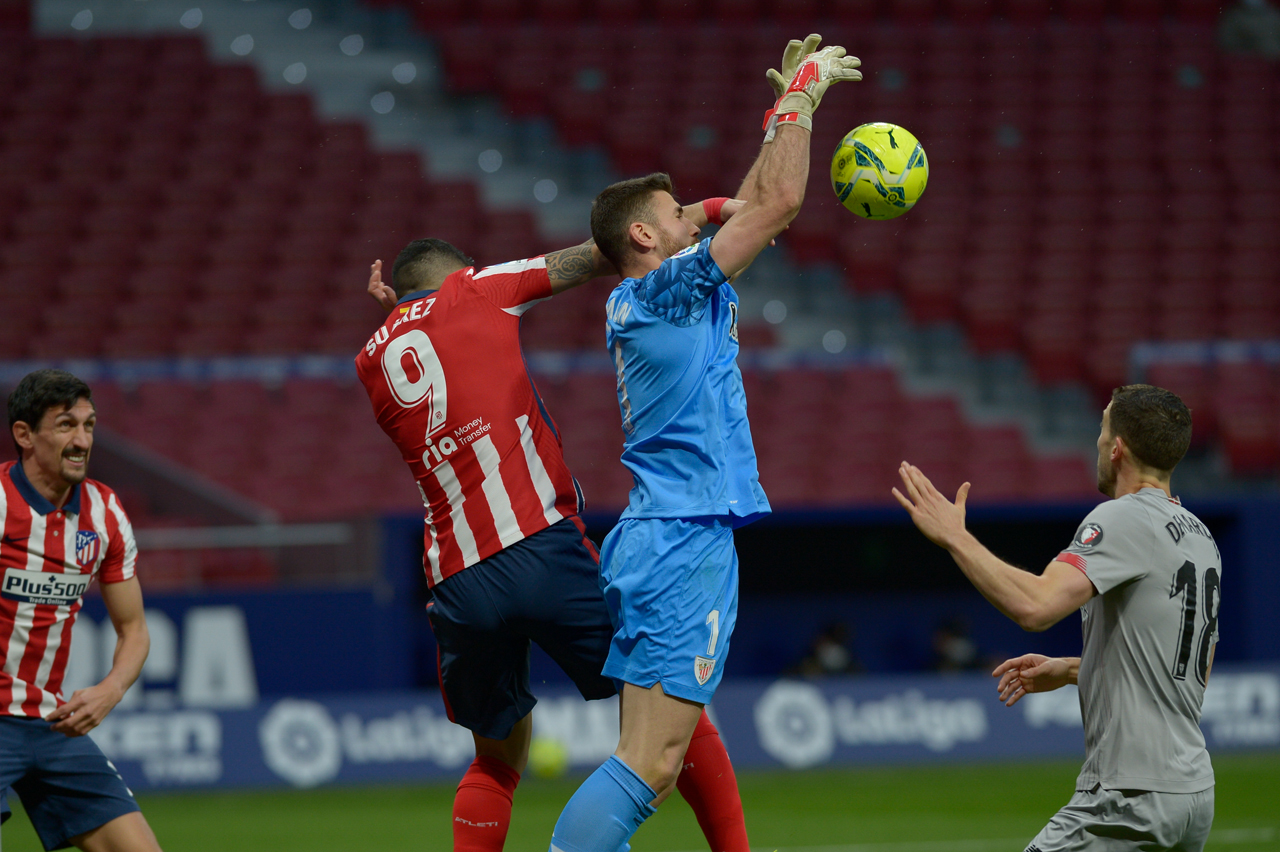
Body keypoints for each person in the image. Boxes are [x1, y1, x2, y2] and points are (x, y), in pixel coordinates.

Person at [547, 35, 862, 852]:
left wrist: (773, 123)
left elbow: (755, 201)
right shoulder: (666, 290)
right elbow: (780, 204)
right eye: (674, 211)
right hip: (683, 539)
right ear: (645, 240)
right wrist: (803, 99)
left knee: (656, 752)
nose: (692, 212)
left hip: (663, 533)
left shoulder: (657, 294)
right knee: (648, 764)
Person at [358, 226, 753, 852]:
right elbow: (603, 252)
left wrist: (404, 308)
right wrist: (695, 217)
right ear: (460, 273)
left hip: (458, 579)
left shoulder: (369, 361)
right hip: (539, 545)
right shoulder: (475, 290)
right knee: (670, 703)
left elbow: (422, 340)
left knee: (496, 759)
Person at [894, 384, 1218, 852]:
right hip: (1193, 794)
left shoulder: (1123, 518)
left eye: (1103, 431)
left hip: (1130, 797)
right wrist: (1071, 669)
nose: (1099, 444)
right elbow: (1192, 669)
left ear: (1119, 448)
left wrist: (955, 538)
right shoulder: (1200, 536)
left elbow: (1036, 607)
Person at [1, 369, 161, 852]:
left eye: (89, 425)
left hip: (52, 721)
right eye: (67, 424)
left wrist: (111, 689)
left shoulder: (105, 512)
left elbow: (133, 629)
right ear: (25, 435)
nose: (82, 439)